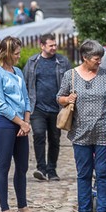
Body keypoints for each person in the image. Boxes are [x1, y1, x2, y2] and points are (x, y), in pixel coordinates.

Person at [57, 39, 106, 212]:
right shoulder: (70, 75)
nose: (99, 61)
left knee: (103, 172)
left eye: (100, 57)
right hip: (80, 132)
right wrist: (67, 99)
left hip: (104, 130)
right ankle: (83, 211)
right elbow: (59, 97)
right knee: (83, 173)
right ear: (85, 57)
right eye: (96, 58)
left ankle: (103, 210)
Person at [0, 36, 40, 212]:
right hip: (4, 123)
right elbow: (1, 104)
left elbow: (26, 98)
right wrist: (20, 122)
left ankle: (22, 206)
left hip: (21, 123)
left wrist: (26, 122)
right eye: (16, 53)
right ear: (7, 53)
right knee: (4, 165)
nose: (19, 56)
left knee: (23, 165)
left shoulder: (18, 72)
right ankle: (4, 208)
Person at [24, 33, 71, 182]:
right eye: (51, 45)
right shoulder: (33, 62)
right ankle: (41, 168)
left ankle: (52, 170)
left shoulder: (62, 62)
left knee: (54, 139)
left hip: (57, 108)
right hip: (37, 107)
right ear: (42, 46)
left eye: (55, 45)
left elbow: (70, 82)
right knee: (38, 134)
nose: (54, 48)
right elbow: (25, 83)